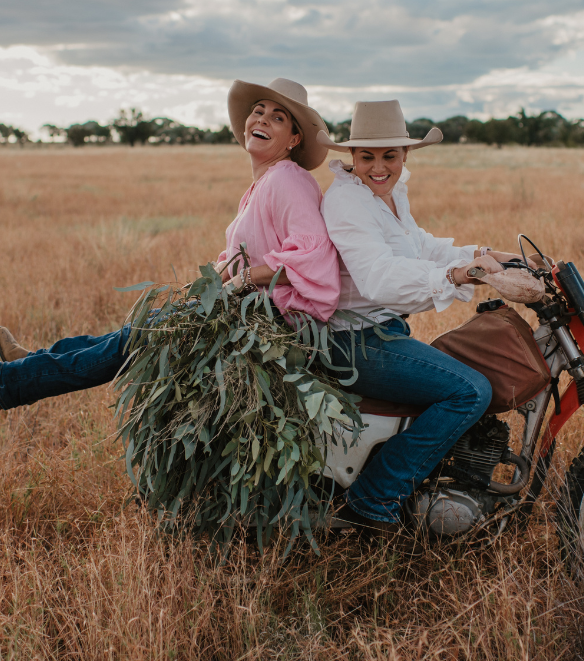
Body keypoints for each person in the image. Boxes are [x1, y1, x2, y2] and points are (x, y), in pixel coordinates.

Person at [0, 78, 340, 409]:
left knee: (135, 339)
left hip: (274, 323)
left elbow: (311, 254)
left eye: (278, 117)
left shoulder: (288, 179)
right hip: (246, 306)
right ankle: (31, 363)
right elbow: (242, 256)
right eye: (258, 110)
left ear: (294, 138)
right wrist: (209, 282)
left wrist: (244, 279)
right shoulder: (264, 182)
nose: (263, 118)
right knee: (132, 334)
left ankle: (12, 383)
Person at [317, 99, 525, 532]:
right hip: (353, 340)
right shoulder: (347, 202)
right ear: (351, 157)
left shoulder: (387, 195)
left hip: (381, 332)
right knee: (470, 391)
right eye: (367, 156)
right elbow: (378, 277)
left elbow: (420, 245)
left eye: (389, 155)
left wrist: (485, 255)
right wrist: (458, 273)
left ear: (405, 155)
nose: (379, 166)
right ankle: (374, 496)